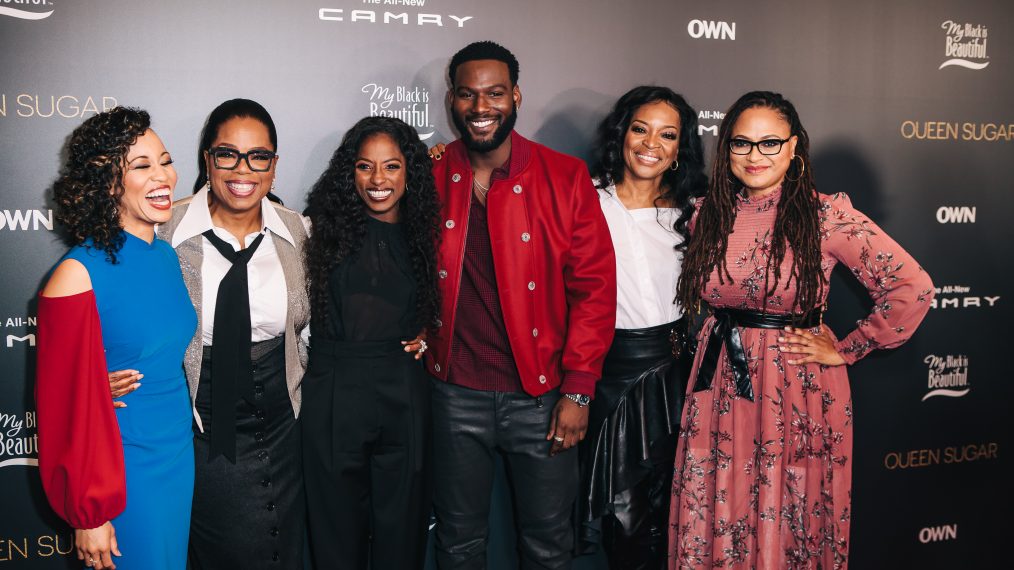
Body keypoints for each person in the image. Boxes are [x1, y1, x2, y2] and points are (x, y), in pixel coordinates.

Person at [669, 91, 934, 568]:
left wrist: (850, 347)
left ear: (794, 148)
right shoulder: (705, 213)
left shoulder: (826, 215)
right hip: (717, 385)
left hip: (795, 387)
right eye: (742, 143)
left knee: (789, 509)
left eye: (770, 143)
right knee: (715, 500)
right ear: (726, 149)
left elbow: (912, 287)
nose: (755, 156)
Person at [425, 41, 616, 569]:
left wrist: (578, 391)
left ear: (516, 96)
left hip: (541, 397)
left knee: (548, 544)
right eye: (467, 94)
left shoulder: (565, 176)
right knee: (458, 543)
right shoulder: (430, 175)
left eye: (494, 93)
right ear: (451, 101)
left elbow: (595, 290)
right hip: (453, 394)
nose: (480, 107)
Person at [36, 107, 196, 570]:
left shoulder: (165, 257)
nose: (163, 175)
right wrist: (89, 513)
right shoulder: (76, 274)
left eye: (165, 160)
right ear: (108, 185)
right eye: (142, 167)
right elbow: (63, 406)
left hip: (175, 455)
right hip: (122, 470)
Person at [156, 99, 310, 568]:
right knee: (230, 548)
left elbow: (315, 322)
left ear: (274, 165)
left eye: (258, 156)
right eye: (228, 154)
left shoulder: (297, 231)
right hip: (203, 419)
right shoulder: (164, 230)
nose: (243, 169)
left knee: (287, 545)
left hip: (285, 419)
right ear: (208, 160)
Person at [301, 115, 440, 569]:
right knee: (336, 535)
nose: (378, 179)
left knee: (402, 535)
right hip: (333, 389)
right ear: (350, 172)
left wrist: (429, 333)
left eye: (391, 166)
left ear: (409, 171)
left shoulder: (429, 233)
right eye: (365, 166)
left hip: (404, 392)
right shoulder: (318, 231)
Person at [576, 86, 707, 569]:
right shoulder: (584, 200)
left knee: (680, 515)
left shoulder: (694, 213)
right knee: (624, 519)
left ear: (679, 149)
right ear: (622, 134)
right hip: (612, 377)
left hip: (680, 375)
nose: (651, 143)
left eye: (667, 135)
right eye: (641, 128)